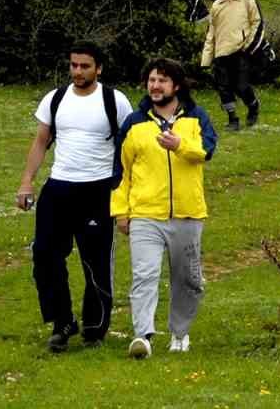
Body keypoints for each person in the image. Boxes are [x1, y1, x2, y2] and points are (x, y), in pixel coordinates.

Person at [17, 41, 134, 351]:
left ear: (99, 68)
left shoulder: (115, 101)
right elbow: (41, 141)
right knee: (45, 255)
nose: (78, 71)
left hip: (98, 189)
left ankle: (94, 328)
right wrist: (27, 181)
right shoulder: (55, 99)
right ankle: (62, 321)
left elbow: (131, 148)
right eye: (73, 65)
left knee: (94, 262)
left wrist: (128, 193)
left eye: (85, 66)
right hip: (58, 187)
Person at [112, 57, 216, 358]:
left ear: (176, 86)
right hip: (146, 214)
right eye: (151, 80)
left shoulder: (197, 118)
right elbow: (120, 172)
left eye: (162, 81)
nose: (155, 86)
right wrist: (121, 211)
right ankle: (142, 336)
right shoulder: (134, 123)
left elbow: (207, 151)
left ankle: (180, 333)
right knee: (144, 275)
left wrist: (179, 145)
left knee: (188, 279)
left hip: (188, 213)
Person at [200, 0, 261, 130]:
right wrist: (206, 58)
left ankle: (253, 106)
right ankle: (233, 119)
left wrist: (248, 46)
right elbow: (211, 33)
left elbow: (257, 23)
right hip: (221, 55)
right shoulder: (216, 5)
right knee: (224, 88)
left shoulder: (247, 1)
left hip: (241, 53)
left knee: (241, 87)